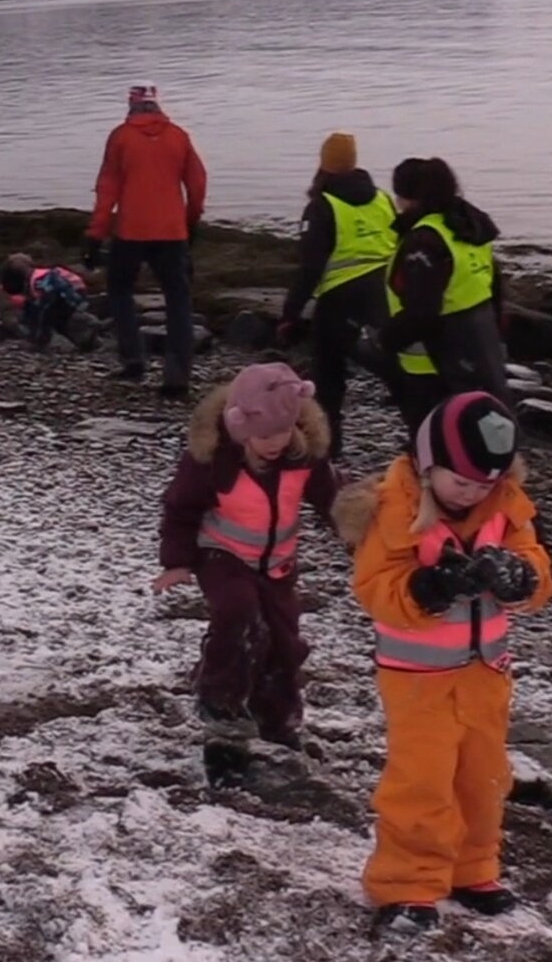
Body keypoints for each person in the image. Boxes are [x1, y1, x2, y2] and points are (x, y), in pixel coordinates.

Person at [332, 392, 552, 936]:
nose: (474, 492)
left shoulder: (505, 504)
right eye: (462, 481)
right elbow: (375, 588)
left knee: (483, 776)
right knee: (421, 781)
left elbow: (538, 567)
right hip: (418, 679)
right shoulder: (394, 510)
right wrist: (429, 588)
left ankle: (472, 868)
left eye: (485, 484)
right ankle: (407, 884)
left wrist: (522, 579)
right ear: (429, 466)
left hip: (486, 673)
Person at [154, 362, 338, 773]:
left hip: (277, 564)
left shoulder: (303, 457)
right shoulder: (212, 461)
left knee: (284, 641)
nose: (273, 443)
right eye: (263, 435)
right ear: (240, 428)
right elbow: (180, 508)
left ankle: (278, 717)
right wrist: (178, 562)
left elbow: (333, 499)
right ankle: (220, 702)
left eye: (281, 432)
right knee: (239, 615)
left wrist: (360, 527)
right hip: (222, 556)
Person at [85, 82, 208, 399]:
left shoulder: (121, 138)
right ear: (157, 105)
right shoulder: (178, 136)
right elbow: (197, 184)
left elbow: (107, 189)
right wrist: (191, 221)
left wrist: (95, 234)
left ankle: (133, 359)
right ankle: (177, 375)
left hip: (131, 231)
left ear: (131, 105)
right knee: (178, 300)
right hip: (172, 231)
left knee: (120, 290)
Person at [279, 132, 396, 458]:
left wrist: (291, 312)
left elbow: (310, 267)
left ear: (324, 164)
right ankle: (424, 428)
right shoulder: (383, 199)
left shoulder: (322, 206)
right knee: (391, 361)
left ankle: (328, 447)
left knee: (328, 375)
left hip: (341, 295)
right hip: (385, 291)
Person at [373, 158, 510, 433]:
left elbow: (422, 313)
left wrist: (384, 340)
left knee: (431, 442)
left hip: (431, 364)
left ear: (408, 197)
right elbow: (494, 288)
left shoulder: (424, 239)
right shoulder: (468, 226)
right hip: (478, 353)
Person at [0, 253, 100, 352]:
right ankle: (87, 341)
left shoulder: (37, 280)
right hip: (72, 290)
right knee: (59, 321)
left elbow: (46, 303)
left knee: (45, 313)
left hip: (67, 293)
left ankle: (88, 322)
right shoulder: (41, 275)